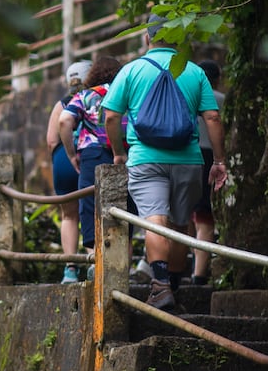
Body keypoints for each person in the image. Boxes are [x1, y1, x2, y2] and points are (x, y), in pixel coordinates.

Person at [103, 16, 227, 312]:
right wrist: (219, 160)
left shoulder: (132, 70)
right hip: (188, 159)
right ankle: (172, 287)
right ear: (178, 39)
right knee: (180, 224)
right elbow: (212, 117)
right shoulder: (194, 72)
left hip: (146, 159)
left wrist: (119, 153)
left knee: (154, 219)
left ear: (148, 38)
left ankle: (159, 286)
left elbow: (110, 116)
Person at [58, 56, 123, 260]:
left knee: (90, 205)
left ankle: (95, 260)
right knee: (121, 208)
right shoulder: (125, 92)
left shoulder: (85, 95)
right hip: (122, 153)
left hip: (91, 153)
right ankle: (122, 263)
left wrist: (71, 154)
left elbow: (64, 120)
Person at [46, 59, 90, 282]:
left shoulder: (62, 104)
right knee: (94, 211)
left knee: (69, 215)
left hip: (63, 160)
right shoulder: (96, 99)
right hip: (89, 159)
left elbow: (51, 140)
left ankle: (70, 268)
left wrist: (62, 157)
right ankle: (94, 262)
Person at [191, 59, 225, 285]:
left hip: (188, 155)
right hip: (211, 157)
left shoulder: (188, 97)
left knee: (184, 216)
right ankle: (199, 274)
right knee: (205, 219)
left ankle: (175, 269)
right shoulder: (221, 99)